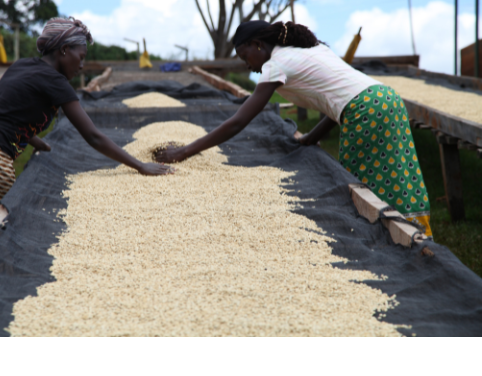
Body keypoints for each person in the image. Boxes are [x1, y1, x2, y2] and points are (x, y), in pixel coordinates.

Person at [0, 16, 172, 280]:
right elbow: (93, 135)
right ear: (64, 50)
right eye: (80, 55)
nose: (82, 64)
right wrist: (140, 165)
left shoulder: (23, 65)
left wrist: (33, 139)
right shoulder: (55, 80)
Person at [156, 19, 432, 236]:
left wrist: (184, 152)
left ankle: (392, 242)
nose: (247, 64)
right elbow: (338, 103)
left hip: (366, 111)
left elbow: (239, 120)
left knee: (365, 189)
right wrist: (309, 139)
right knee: (398, 173)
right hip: (386, 99)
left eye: (245, 56)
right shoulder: (310, 50)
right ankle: (416, 236)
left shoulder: (276, 65)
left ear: (258, 45)